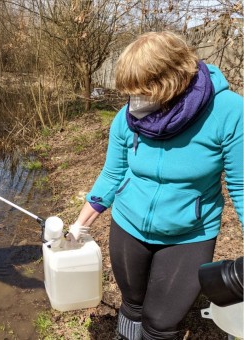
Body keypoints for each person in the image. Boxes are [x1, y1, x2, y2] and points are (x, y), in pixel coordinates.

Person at [68, 31, 243, 339]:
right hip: (128, 225)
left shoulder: (229, 112)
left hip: (188, 235)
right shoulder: (128, 116)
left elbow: (241, 185)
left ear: (171, 80)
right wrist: (80, 225)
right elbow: (113, 174)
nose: (134, 101)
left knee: (160, 322)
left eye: (143, 90)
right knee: (132, 306)